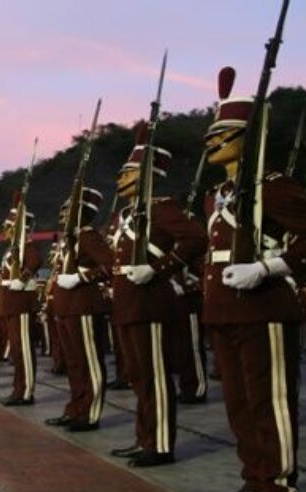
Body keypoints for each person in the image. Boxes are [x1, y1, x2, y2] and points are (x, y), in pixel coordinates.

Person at [198, 67, 306, 492]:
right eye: (210, 134)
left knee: (270, 402)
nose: (211, 142)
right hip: (225, 310)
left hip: (265, 309)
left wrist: (267, 267)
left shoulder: (273, 187)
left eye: (222, 134)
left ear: (247, 137)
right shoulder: (217, 196)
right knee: (239, 405)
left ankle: (280, 491)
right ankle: (255, 480)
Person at [106, 122, 206, 468]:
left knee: (155, 376)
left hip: (150, 302)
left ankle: (161, 443)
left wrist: (159, 268)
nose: (120, 180)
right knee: (138, 376)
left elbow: (195, 238)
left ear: (143, 177)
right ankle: (145, 438)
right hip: (128, 304)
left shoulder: (161, 208)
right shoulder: (127, 216)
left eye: (126, 174)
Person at [49, 187, 112, 432]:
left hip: (83, 305)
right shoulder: (71, 239)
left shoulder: (87, 236)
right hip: (67, 307)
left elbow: (110, 265)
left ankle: (90, 413)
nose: (63, 214)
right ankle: (76, 408)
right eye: (63, 210)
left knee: (89, 362)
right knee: (74, 363)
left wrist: (81, 278)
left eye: (69, 209)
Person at [0, 207, 43, 407]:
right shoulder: (13, 249)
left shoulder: (27, 246)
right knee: (16, 350)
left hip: (21, 303)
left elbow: (35, 261)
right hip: (11, 304)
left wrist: (22, 279)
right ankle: (18, 388)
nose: (5, 230)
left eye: (8, 227)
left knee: (24, 349)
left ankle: (26, 392)